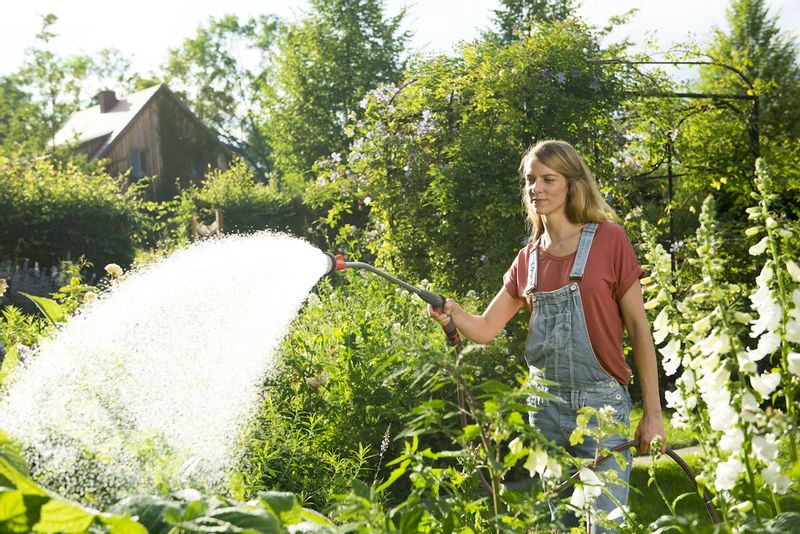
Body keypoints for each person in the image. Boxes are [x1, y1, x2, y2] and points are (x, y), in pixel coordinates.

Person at [428, 140, 666, 532]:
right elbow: (486, 329)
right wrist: (453, 313)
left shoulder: (610, 241)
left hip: (601, 407)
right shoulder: (529, 258)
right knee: (561, 525)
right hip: (546, 409)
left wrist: (653, 416)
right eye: (530, 181)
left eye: (547, 179)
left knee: (604, 525)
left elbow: (640, 330)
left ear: (572, 183)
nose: (536, 188)